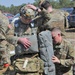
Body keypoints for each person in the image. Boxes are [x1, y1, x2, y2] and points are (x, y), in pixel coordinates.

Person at [8, 5, 44, 75]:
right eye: (26, 18)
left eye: (30, 19)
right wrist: (19, 39)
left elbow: (48, 16)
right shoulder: (15, 25)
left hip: (34, 57)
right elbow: (8, 36)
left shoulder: (35, 23)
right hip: (20, 58)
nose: (28, 20)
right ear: (21, 15)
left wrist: (36, 9)